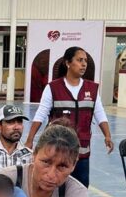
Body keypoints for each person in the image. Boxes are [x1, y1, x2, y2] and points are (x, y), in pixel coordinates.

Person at [26, 46, 114, 188]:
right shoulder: (53, 88)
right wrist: (30, 140)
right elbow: (41, 114)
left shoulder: (92, 89)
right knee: (57, 189)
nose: (84, 64)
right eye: (79, 60)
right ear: (68, 63)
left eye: (85, 61)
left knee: (81, 188)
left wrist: (107, 135)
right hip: (58, 151)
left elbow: (99, 112)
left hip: (82, 152)